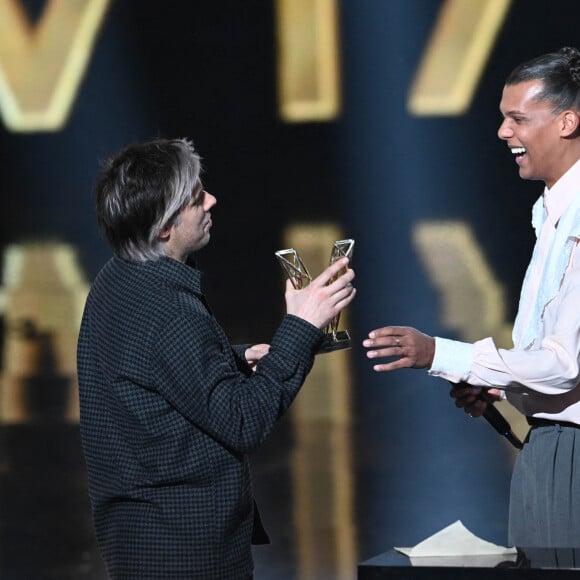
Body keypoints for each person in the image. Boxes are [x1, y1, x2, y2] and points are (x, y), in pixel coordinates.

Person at [77, 137, 356, 579]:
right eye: (194, 199)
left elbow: (151, 370)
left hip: (141, 539)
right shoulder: (169, 312)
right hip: (184, 552)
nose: (211, 200)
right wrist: (302, 325)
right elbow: (244, 420)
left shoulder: (118, 279)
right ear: (164, 227)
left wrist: (235, 358)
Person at [362, 46, 580, 548]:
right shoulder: (550, 212)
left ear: (567, 122)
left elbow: (565, 363)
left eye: (517, 119)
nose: (504, 132)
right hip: (548, 449)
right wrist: (504, 390)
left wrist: (440, 353)